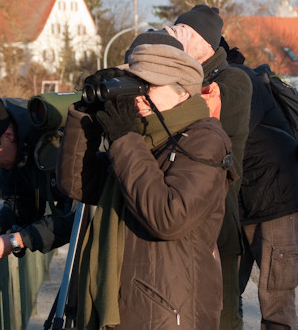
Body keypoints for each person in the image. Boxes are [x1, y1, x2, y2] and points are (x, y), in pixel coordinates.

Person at [57, 37, 236, 329]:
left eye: (148, 87)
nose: (138, 96)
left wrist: (125, 139)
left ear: (182, 91)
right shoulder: (142, 140)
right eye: (134, 86)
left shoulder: (205, 140)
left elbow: (169, 217)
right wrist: (86, 112)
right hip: (124, 302)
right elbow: (77, 184)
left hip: (168, 310)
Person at [166, 5, 252, 330]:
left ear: (203, 42)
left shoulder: (235, 81)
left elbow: (208, 125)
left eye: (181, 34)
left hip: (219, 215)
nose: (173, 42)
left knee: (222, 313)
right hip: (178, 211)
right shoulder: (175, 79)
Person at [224, 43, 298, 330]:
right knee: (224, 292)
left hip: (276, 200)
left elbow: (227, 135)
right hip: (240, 201)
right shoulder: (217, 81)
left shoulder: (240, 81)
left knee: (276, 299)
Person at [0, 97, 74, 260]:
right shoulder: (11, 156)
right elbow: (19, 205)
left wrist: (15, 241)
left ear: (8, 136)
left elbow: (75, 217)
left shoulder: (57, 145)